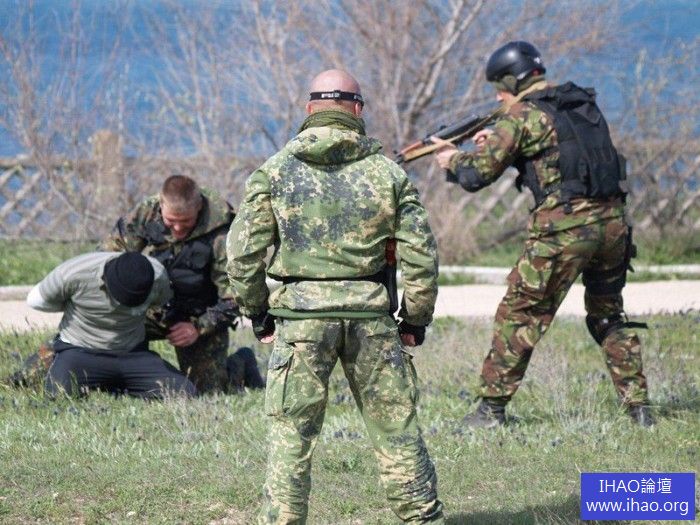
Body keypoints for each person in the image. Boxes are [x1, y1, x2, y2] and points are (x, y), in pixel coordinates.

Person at [227, 69, 444, 523]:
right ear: (358, 109)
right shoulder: (388, 174)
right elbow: (421, 255)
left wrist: (258, 314)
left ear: (310, 109)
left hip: (301, 323)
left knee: (291, 436)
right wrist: (415, 319)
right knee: (397, 432)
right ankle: (423, 518)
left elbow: (242, 254)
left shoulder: (274, 171)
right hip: (372, 320)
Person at [431, 41, 652, 427]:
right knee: (608, 316)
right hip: (613, 227)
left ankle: (490, 410)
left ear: (513, 82)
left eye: (499, 88)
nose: (498, 97)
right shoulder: (579, 105)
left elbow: (476, 175)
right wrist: (497, 141)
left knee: (519, 316)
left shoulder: (521, 116)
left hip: (563, 231)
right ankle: (640, 408)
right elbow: (560, 154)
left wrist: (452, 159)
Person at [103, 175, 264, 393]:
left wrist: (199, 327)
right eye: (171, 221)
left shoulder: (225, 230)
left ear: (199, 208)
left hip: (201, 314)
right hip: (150, 310)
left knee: (207, 392)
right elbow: (109, 262)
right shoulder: (144, 215)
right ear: (161, 205)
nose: (178, 229)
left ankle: (241, 363)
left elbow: (238, 296)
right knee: (109, 335)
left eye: (186, 222)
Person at [30, 251, 197, 398]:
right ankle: (44, 362)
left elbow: (162, 300)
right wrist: (70, 307)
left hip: (133, 354)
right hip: (80, 350)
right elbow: (36, 301)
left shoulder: (157, 274)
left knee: (185, 392)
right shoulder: (74, 273)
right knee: (57, 393)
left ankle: (112, 385)